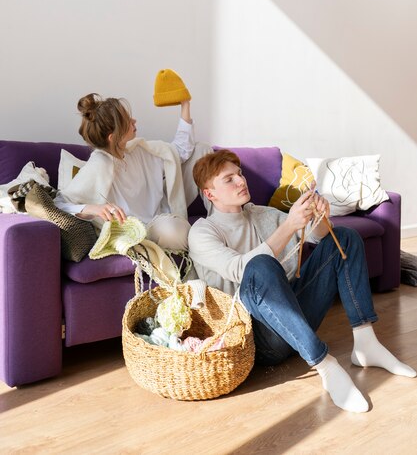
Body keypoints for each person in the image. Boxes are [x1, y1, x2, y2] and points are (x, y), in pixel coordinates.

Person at [188, 149, 416, 413]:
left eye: (240, 174)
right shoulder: (202, 231)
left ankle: (366, 343)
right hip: (257, 338)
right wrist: (289, 226)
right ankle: (326, 366)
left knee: (344, 237)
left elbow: (318, 236)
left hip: (295, 315)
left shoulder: (263, 213)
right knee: (260, 266)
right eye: (229, 179)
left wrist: (319, 216)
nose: (241, 181)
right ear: (209, 193)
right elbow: (241, 269)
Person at [55, 93, 209, 251]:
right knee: (172, 229)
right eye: (127, 121)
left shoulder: (137, 149)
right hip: (145, 229)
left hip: (165, 211)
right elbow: (59, 203)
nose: (134, 121)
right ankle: (200, 244)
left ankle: (221, 222)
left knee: (202, 151)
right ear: (113, 137)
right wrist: (91, 208)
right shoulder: (98, 164)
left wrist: (185, 104)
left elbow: (180, 151)